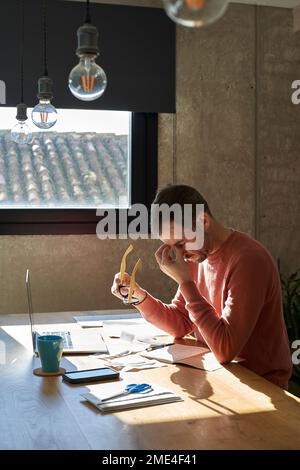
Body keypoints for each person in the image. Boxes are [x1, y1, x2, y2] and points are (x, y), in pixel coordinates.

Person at [111, 184, 292, 389]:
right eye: (171, 246)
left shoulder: (249, 260)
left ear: (203, 221)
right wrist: (139, 297)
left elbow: (225, 349)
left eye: (180, 243)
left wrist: (185, 283)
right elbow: (181, 323)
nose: (178, 254)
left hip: (260, 386)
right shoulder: (197, 256)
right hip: (220, 375)